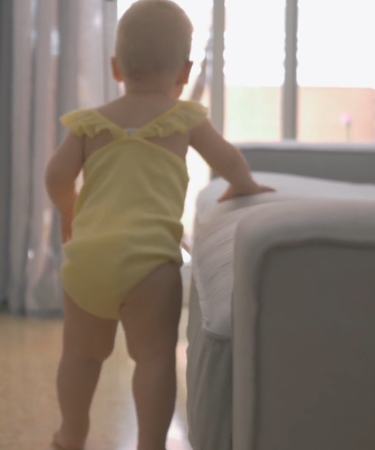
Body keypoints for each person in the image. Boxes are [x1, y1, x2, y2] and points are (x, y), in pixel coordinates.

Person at [45, 1, 273, 448]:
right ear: (184, 73)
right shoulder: (183, 118)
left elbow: (56, 175)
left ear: (115, 67)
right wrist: (244, 183)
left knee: (80, 355)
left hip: (88, 259)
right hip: (150, 264)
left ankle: (71, 433)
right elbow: (226, 158)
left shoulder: (89, 124)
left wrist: (68, 210)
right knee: (153, 360)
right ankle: (151, 441)